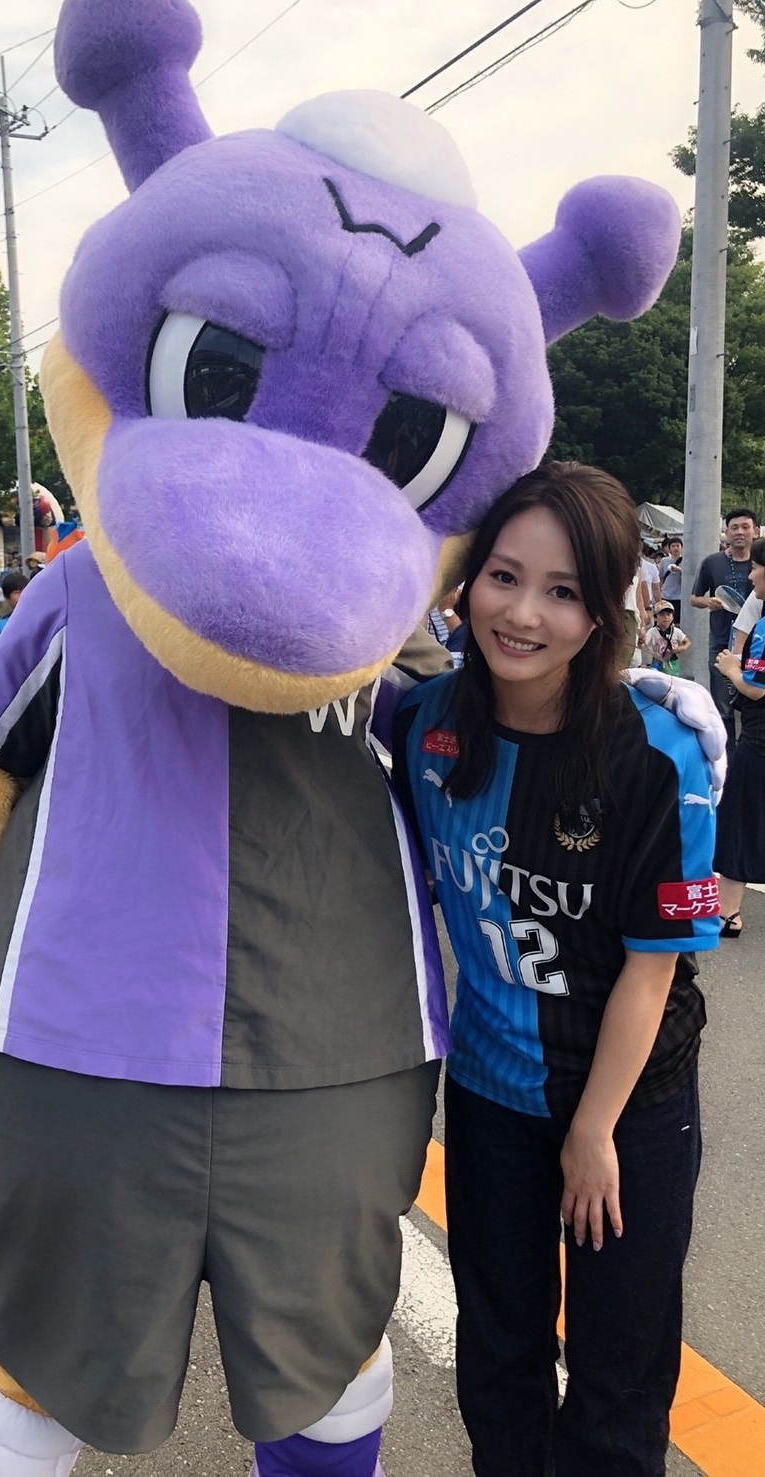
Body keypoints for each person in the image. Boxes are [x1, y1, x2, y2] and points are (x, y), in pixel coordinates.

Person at [393, 462, 719, 1477]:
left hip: (629, 1107)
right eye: (502, 575)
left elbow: (654, 970)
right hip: (489, 1097)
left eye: (562, 590)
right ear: (466, 579)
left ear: (603, 609)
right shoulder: (420, 722)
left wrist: (592, 1131)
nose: (522, 613)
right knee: (498, 1362)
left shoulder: (660, 754)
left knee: (618, 1381)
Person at [712, 536, 765, 939]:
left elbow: (757, 688)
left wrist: (731, 667)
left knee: (739, 821)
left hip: (759, 742)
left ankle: (727, 913)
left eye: (757, 568)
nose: (751, 575)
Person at [691, 508, 758, 751]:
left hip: (756, 646)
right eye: (734, 527)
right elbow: (693, 598)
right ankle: (726, 758)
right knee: (723, 706)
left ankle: (750, 753)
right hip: (721, 645)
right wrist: (708, 602)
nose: (740, 532)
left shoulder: (760, 561)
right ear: (726, 532)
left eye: (745, 527)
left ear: (755, 531)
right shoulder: (712, 563)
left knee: (754, 699)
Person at [646, 599, 690, 675]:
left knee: (673, 679)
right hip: (657, 661)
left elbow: (687, 642)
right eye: (662, 615)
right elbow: (644, 643)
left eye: (668, 614)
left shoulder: (676, 631)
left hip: (672, 661)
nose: (666, 617)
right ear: (655, 618)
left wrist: (681, 648)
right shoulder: (652, 631)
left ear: (672, 617)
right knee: (656, 678)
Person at [0, 572, 28, 638]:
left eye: (25, 591)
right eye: (17, 592)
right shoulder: (0, 624)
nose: (22, 595)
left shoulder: (39, 622)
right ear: (6, 596)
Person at [659, 535, 683, 622]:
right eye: (673, 546)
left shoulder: (685, 561)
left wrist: (680, 570)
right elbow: (661, 577)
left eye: (677, 546)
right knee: (665, 620)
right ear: (669, 548)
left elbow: (689, 578)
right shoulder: (664, 561)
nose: (675, 548)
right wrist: (660, 592)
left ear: (681, 548)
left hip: (679, 597)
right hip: (666, 595)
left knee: (677, 621)